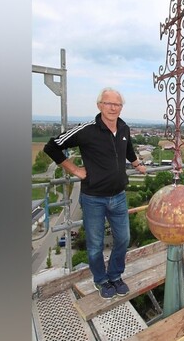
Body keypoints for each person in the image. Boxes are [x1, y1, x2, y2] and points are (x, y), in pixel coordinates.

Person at [44, 87, 147, 299]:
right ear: (99, 105)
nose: (113, 108)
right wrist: (74, 169)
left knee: (123, 239)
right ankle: (101, 281)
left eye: (117, 104)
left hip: (118, 197)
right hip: (93, 199)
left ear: (121, 107)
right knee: (95, 245)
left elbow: (127, 150)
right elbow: (52, 146)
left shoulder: (124, 127)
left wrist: (137, 163)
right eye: (108, 103)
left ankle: (115, 275)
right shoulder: (87, 130)